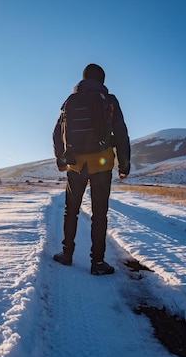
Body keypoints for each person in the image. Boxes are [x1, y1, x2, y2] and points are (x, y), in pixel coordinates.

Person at [52, 63, 130, 275]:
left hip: (75, 164)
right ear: (102, 80)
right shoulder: (109, 100)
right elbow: (121, 134)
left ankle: (66, 254)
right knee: (99, 214)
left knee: (71, 210)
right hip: (101, 164)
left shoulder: (70, 101)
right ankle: (97, 263)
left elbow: (57, 133)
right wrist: (124, 165)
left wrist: (61, 161)